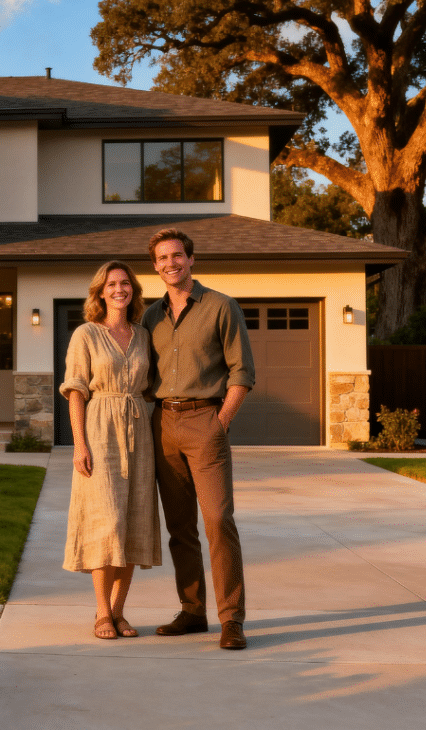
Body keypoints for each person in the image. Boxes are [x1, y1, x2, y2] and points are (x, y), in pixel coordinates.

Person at [141, 228, 254, 650]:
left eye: (177, 256)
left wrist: (220, 421)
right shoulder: (150, 317)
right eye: (162, 258)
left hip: (205, 420)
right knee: (180, 527)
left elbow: (242, 372)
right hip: (162, 426)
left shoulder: (221, 307)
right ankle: (192, 612)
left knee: (219, 522)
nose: (170, 263)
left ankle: (232, 619)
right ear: (155, 266)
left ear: (191, 260)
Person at [60, 259, 161, 640]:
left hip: (138, 426)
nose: (119, 289)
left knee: (134, 519)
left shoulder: (143, 334)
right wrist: (79, 443)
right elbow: (75, 390)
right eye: (111, 284)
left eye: (125, 283)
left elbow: (152, 384)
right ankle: (102, 613)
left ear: (133, 290)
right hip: (99, 427)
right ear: (100, 292)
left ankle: (119, 612)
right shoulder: (86, 333)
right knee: (106, 521)